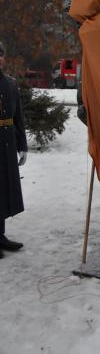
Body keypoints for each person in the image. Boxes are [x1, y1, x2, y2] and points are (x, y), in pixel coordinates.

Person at [0, 41, 28, 258]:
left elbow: (18, 116)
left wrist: (22, 146)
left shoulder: (10, 83)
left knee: (5, 190)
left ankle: (0, 235)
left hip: (7, 143)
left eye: (1, 55)